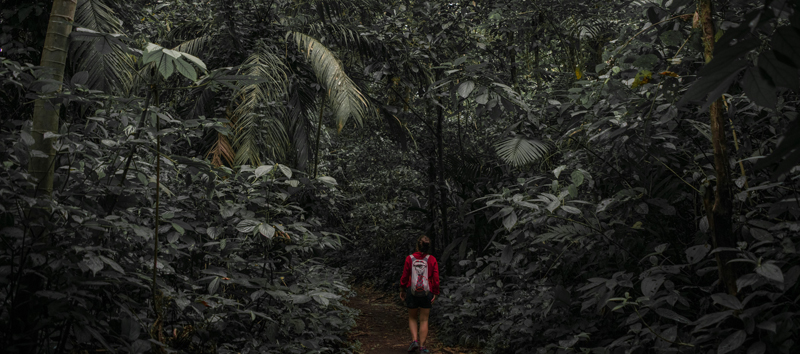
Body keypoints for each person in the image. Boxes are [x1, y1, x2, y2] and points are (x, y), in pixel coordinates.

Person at [399, 235, 440, 354]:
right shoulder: (432, 259)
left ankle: (414, 341)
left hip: (411, 291)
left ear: (417, 245)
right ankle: (422, 347)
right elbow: (436, 279)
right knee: (424, 319)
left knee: (412, 317)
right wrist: (435, 292)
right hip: (427, 292)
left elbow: (405, 276)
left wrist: (402, 289)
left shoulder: (410, 258)